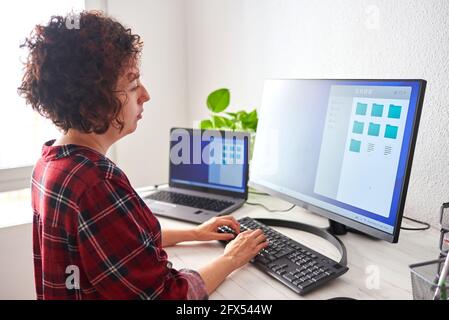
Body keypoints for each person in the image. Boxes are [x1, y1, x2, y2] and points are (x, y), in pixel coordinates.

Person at [18, 11, 268, 300]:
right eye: (133, 84)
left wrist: (195, 234)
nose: (145, 94)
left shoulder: (51, 163)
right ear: (94, 99)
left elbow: (119, 246)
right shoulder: (97, 183)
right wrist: (231, 259)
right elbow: (167, 296)